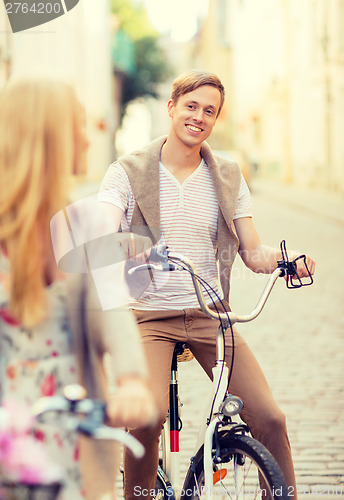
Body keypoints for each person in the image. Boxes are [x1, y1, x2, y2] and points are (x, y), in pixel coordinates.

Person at [98, 69, 316, 499]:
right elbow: (106, 229)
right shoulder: (127, 171)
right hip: (149, 316)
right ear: (172, 107)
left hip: (210, 314)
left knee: (269, 417)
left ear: (216, 119)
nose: (199, 117)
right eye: (191, 106)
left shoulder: (229, 176)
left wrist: (287, 261)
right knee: (146, 415)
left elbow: (251, 251)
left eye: (209, 111)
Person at [0, 76, 157, 500]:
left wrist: (131, 380)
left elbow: (112, 309)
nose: (89, 140)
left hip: (72, 440)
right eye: (79, 126)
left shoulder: (81, 225)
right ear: (49, 137)